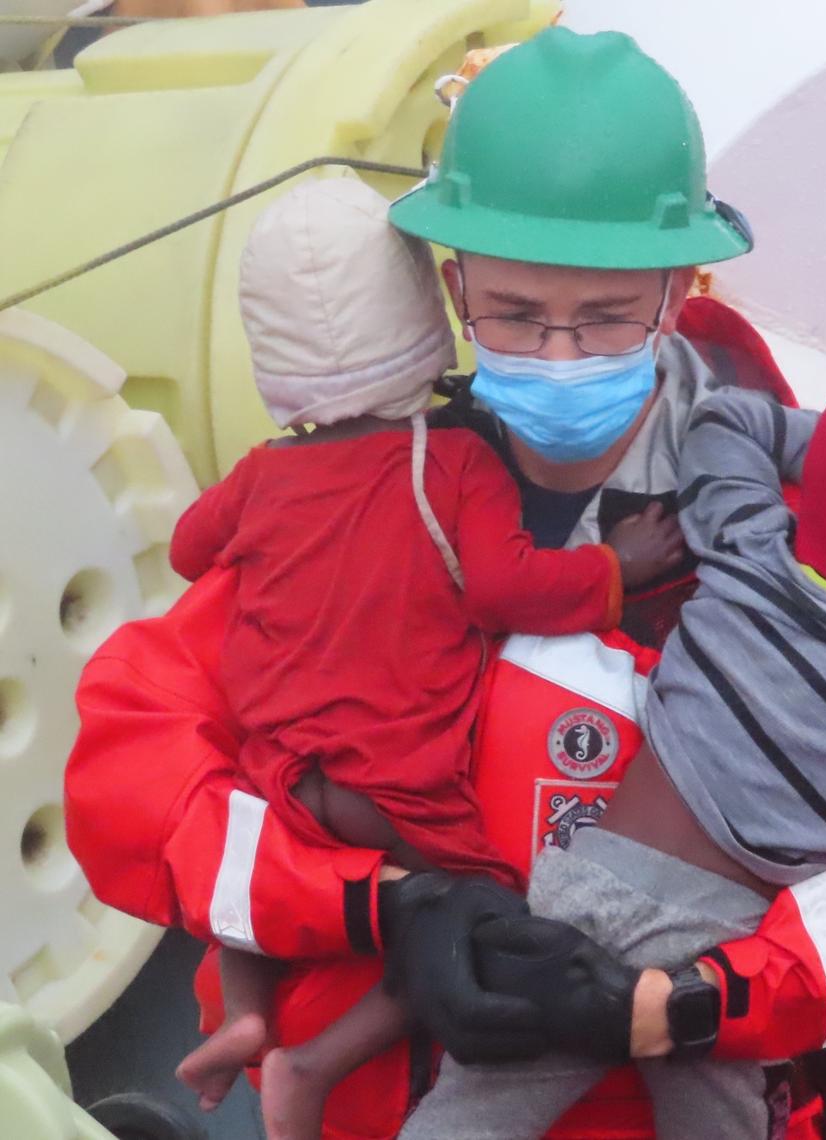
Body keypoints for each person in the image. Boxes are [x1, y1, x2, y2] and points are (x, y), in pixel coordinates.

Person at [65, 27, 826, 1140]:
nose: (560, 354)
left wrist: (708, 999)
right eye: (516, 316)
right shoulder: (346, 496)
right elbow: (134, 761)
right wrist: (379, 905)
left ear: (678, 289)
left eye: (607, 314)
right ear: (452, 281)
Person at [397, 346, 826, 1138]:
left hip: (590, 890)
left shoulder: (750, 543)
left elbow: (721, 421)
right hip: (730, 959)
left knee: (471, 1117)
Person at [166, 177, 681, 1140]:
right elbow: (502, 586)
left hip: (279, 770)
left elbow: (190, 551)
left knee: (243, 879)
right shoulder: (450, 465)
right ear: (434, 308)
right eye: (518, 316)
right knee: (474, 910)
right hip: (389, 780)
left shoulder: (262, 473)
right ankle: (313, 1065)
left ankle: (243, 1014)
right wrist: (617, 569)